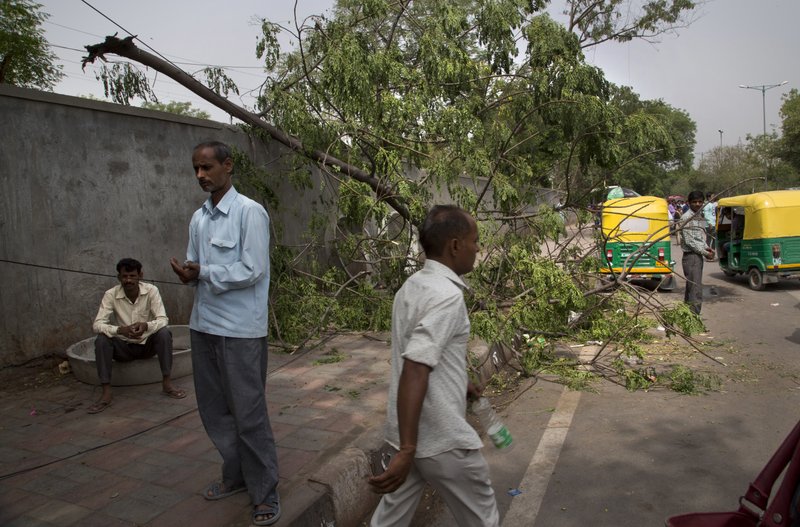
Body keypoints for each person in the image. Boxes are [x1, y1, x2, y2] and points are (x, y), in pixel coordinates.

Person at [368, 205, 500, 527]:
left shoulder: (411, 287)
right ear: (455, 246)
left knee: (388, 521)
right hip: (441, 439)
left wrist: (459, 383)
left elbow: (425, 353)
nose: (477, 248)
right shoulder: (447, 297)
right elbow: (415, 367)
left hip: (409, 432)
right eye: (474, 240)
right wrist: (407, 450)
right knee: (483, 519)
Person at [169, 141, 279, 526]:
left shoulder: (250, 213)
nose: (200, 175)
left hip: (240, 332)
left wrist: (204, 273)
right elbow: (195, 266)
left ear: (228, 166)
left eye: (207, 167)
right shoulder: (198, 219)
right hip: (203, 326)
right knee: (214, 412)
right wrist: (189, 274)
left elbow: (253, 269)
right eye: (196, 169)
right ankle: (236, 475)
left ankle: (264, 492)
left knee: (248, 414)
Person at [89, 258, 185, 414]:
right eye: (125, 276)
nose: (128, 280)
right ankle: (106, 391)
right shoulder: (111, 294)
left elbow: (163, 319)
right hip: (124, 348)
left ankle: (167, 383)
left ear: (140, 276)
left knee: (164, 333)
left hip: (147, 345)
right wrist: (120, 330)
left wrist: (146, 325)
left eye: (132, 276)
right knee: (101, 340)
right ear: (119, 277)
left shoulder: (151, 290)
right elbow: (97, 324)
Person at [679, 191, 715, 315]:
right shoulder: (686, 218)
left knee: (692, 288)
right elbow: (690, 241)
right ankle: (694, 317)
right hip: (691, 256)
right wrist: (705, 253)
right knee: (695, 289)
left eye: (700, 202)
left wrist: (707, 248)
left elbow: (700, 236)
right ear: (689, 203)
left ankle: (688, 316)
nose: (698, 204)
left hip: (697, 255)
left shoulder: (698, 216)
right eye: (694, 202)